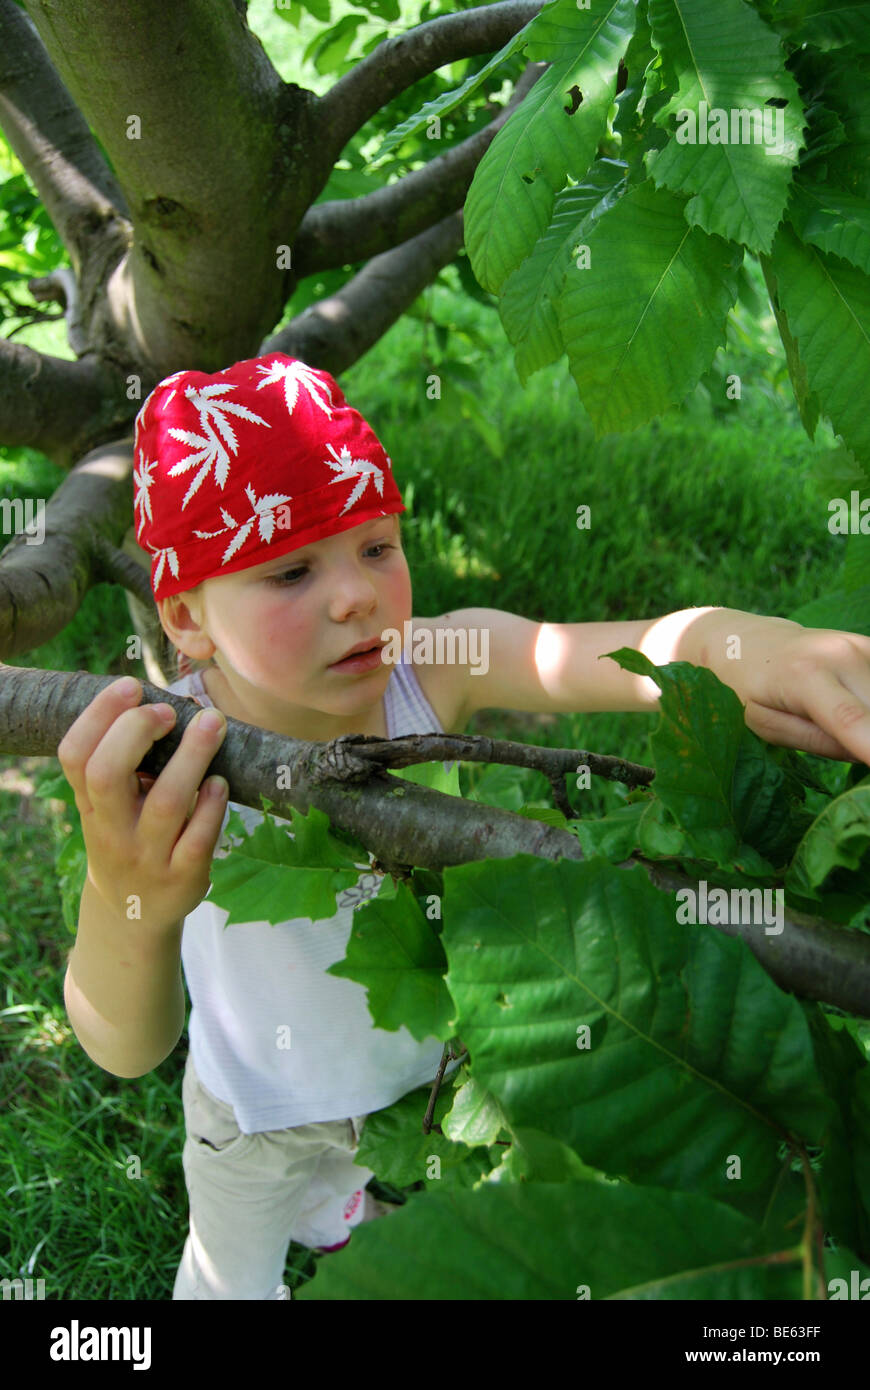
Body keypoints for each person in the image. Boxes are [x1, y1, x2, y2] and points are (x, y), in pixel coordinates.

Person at [58, 352, 870, 1301]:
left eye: (377, 547)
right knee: (226, 1281)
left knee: (359, 1174)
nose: (357, 594)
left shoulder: (432, 666)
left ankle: (337, 1208)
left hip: (417, 1077)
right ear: (188, 616)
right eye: (290, 570)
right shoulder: (174, 766)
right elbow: (122, 1047)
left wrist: (745, 643)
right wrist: (133, 905)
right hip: (257, 1114)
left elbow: (605, 650)